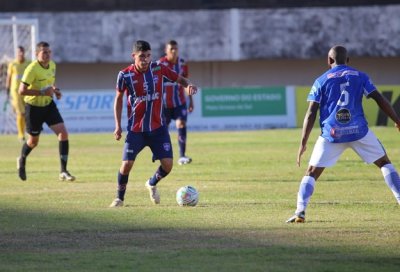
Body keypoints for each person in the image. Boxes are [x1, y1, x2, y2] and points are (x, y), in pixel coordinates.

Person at [286, 45, 400, 223]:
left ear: (329, 61)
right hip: (358, 132)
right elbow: (379, 98)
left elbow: (310, 113)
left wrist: (303, 142)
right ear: (348, 61)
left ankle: (300, 211)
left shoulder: (321, 80)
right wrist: (397, 120)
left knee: (311, 173)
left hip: (332, 134)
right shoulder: (360, 76)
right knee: (384, 163)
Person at [109, 40, 198, 207]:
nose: (145, 60)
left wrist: (189, 84)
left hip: (158, 129)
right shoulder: (124, 75)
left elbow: (180, 79)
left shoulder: (158, 68)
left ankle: (151, 183)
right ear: (133, 56)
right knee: (126, 164)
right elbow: (118, 99)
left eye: (148, 56)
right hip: (136, 130)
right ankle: (119, 198)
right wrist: (118, 125)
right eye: (142, 56)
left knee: (168, 165)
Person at [17, 41, 75, 182]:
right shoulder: (32, 69)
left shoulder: (53, 65)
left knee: (63, 133)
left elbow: (51, 84)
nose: (47, 54)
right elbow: (21, 91)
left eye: (49, 52)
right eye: (44, 52)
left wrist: (56, 91)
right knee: (33, 142)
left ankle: (63, 171)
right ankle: (22, 159)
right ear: (37, 54)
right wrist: (42, 92)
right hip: (33, 108)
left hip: (48, 105)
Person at [159, 40, 194, 165]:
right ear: (166, 51)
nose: (174, 51)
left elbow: (186, 83)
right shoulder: (160, 64)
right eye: (171, 49)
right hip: (164, 105)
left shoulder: (182, 64)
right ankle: (163, 155)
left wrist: (191, 101)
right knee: (163, 130)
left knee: (181, 124)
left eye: (175, 48)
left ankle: (182, 156)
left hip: (180, 102)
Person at [6, 46, 30, 142]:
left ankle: (28, 132)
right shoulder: (12, 64)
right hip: (15, 92)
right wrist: (7, 90)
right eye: (19, 52)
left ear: (24, 52)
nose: (20, 54)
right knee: (20, 113)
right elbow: (9, 78)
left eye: (22, 52)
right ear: (16, 53)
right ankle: (21, 135)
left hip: (27, 91)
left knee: (28, 113)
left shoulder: (28, 63)